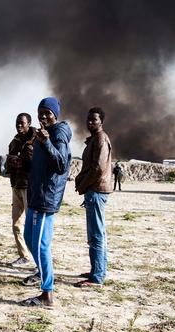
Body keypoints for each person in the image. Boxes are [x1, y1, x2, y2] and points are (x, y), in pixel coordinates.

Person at [20, 97, 72, 307]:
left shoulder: (58, 133)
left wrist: (46, 142)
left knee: (41, 245)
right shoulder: (43, 134)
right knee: (29, 238)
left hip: (46, 198)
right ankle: (43, 272)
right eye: (40, 112)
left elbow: (60, 164)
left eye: (47, 112)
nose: (43, 116)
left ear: (55, 114)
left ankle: (47, 294)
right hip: (36, 196)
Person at [74, 107, 113, 287]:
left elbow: (98, 168)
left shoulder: (100, 139)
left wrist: (82, 184)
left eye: (94, 120)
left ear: (101, 122)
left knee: (96, 235)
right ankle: (97, 270)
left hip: (96, 190)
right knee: (97, 233)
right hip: (94, 190)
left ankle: (97, 277)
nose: (90, 123)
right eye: (88, 120)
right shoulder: (95, 139)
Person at [5, 113, 35, 268]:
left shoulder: (37, 140)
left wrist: (24, 162)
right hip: (16, 185)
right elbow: (6, 167)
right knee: (16, 224)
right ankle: (24, 256)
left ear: (29, 123)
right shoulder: (14, 142)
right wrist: (10, 162)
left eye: (22, 123)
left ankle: (38, 259)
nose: (19, 126)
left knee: (33, 225)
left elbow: (40, 164)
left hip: (30, 187)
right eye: (17, 123)